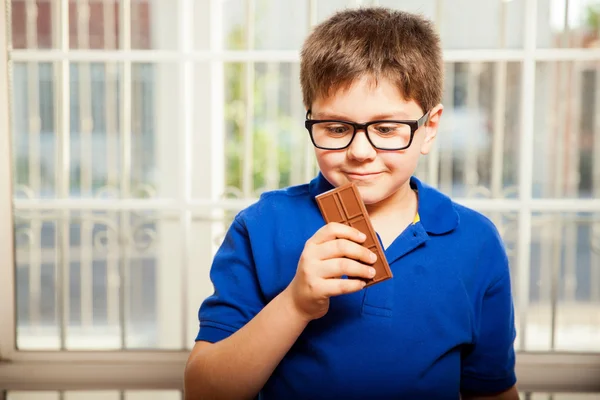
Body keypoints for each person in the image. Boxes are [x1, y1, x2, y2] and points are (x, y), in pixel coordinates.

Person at [184, 7, 518, 400]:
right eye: (337, 128)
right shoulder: (261, 227)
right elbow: (203, 392)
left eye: (387, 128)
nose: (360, 151)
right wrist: (295, 303)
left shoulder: (476, 242)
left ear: (428, 129)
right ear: (311, 120)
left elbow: (492, 390)